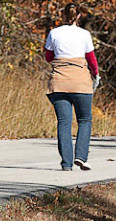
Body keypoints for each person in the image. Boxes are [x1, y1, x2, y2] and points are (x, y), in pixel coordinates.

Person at [43, 3, 100, 171]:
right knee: (84, 120)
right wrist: (95, 75)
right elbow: (91, 60)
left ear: (63, 15)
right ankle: (81, 157)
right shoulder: (84, 34)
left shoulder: (54, 33)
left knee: (64, 122)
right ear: (79, 16)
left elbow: (48, 56)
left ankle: (66, 164)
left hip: (59, 82)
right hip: (80, 83)